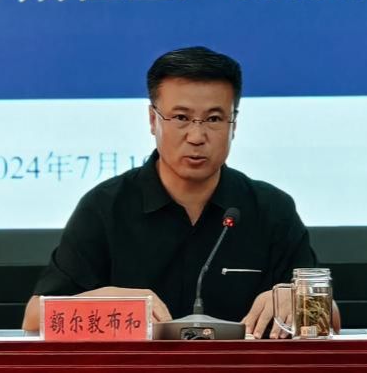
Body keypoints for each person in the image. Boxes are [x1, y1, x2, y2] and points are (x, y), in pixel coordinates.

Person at [22, 46, 339, 338]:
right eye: (181, 118)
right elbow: (34, 319)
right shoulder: (106, 207)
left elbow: (333, 319)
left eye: (214, 119)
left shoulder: (270, 209)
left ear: (234, 124)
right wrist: (110, 303)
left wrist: (298, 302)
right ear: (153, 120)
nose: (197, 136)